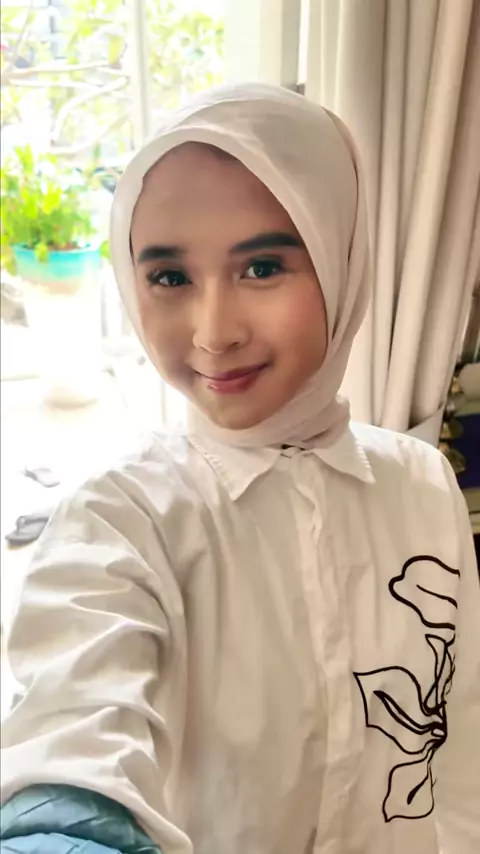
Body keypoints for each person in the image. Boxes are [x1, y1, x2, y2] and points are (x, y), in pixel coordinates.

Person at [1, 83, 479, 854]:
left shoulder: (422, 483)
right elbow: (72, 724)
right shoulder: (119, 519)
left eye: (261, 267)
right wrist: (61, 826)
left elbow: (461, 743)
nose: (214, 332)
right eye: (169, 278)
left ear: (340, 257)